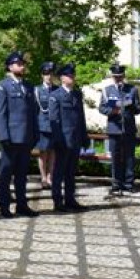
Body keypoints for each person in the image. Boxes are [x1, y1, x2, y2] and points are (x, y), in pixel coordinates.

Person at [0, 51, 39, 219]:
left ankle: (22, 204)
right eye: (18, 64)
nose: (22, 66)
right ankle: (4, 206)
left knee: (22, 175)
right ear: (10, 66)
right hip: (11, 137)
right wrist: (4, 136)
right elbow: (0, 113)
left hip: (26, 137)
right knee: (6, 174)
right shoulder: (2, 86)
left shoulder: (28, 86)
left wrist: (34, 134)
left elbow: (33, 112)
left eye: (23, 64)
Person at [49, 63, 89, 212]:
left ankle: (70, 199)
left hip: (76, 139)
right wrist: (58, 139)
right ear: (62, 78)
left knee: (71, 172)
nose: (72, 78)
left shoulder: (77, 95)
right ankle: (57, 200)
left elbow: (81, 117)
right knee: (59, 171)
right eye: (69, 76)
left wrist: (84, 136)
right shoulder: (56, 95)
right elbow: (54, 119)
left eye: (73, 75)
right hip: (63, 140)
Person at [101, 63, 140, 193]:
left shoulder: (132, 89)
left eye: (120, 77)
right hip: (114, 128)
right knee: (115, 157)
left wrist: (132, 107)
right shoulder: (107, 90)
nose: (118, 79)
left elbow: (139, 109)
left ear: (124, 76)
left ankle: (128, 184)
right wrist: (113, 111)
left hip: (128, 128)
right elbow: (102, 108)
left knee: (129, 157)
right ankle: (116, 183)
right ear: (112, 77)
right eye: (116, 77)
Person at [35, 62, 57, 189]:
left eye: (50, 73)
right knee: (43, 153)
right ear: (42, 75)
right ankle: (43, 177)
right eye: (46, 73)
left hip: (54, 126)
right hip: (42, 125)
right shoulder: (37, 90)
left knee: (53, 152)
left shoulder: (57, 90)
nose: (48, 76)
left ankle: (50, 176)